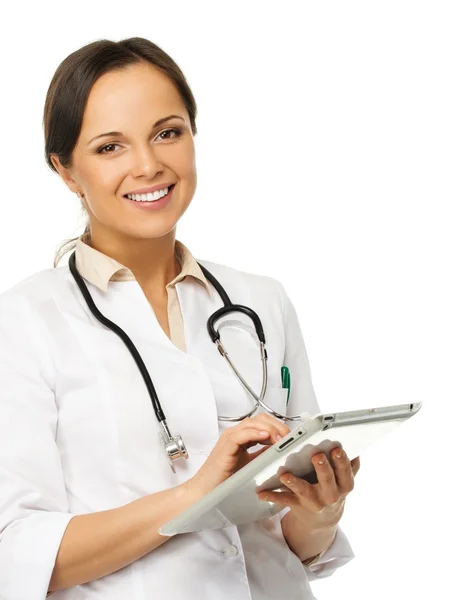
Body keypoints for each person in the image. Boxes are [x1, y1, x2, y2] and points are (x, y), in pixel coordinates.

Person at [0, 37, 360, 600]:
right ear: (65, 170)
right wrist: (190, 497)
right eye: (110, 147)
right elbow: (15, 555)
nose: (149, 165)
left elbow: (294, 543)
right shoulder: (23, 323)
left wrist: (321, 509)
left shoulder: (260, 302)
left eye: (168, 132)